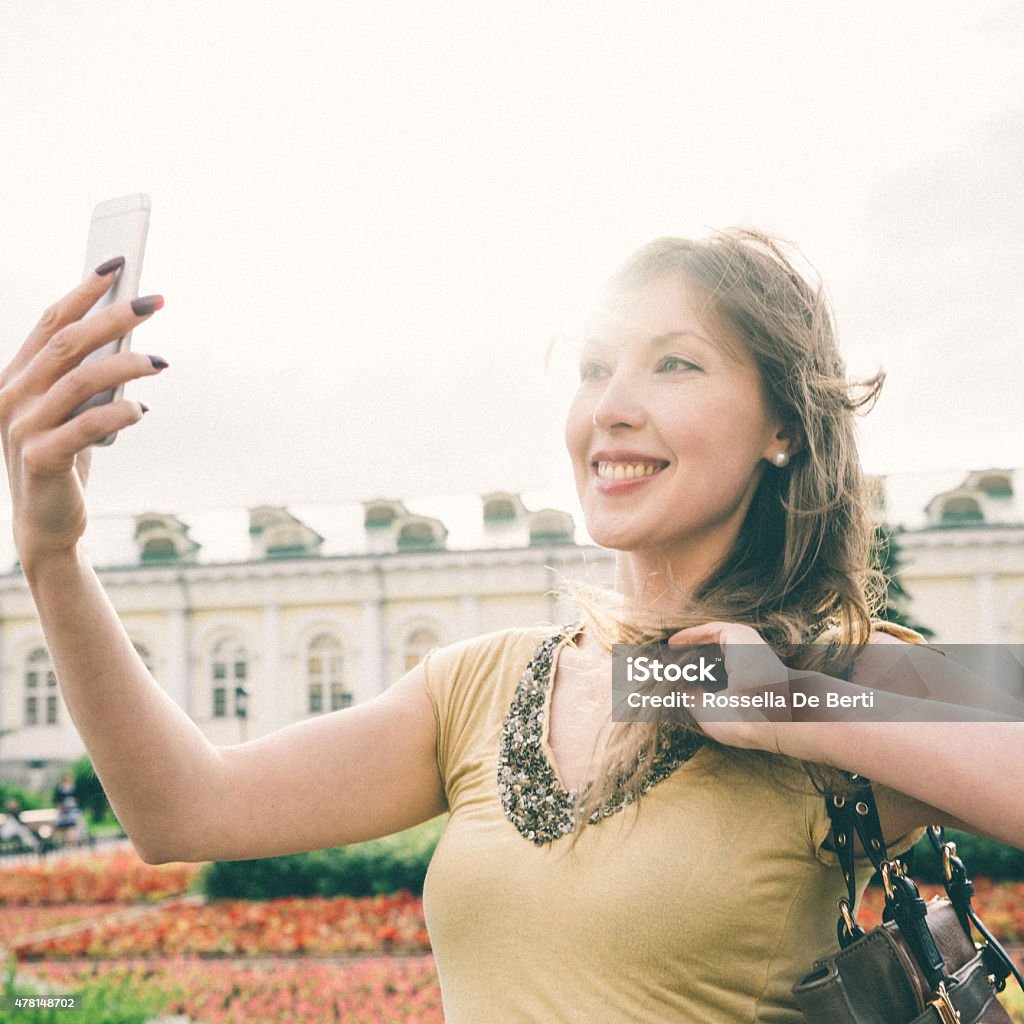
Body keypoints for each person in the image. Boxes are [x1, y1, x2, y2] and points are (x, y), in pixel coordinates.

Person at [1, 231, 1021, 1023]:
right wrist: (56, 554)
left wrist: (787, 704)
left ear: (783, 425)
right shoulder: (479, 686)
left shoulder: (844, 672)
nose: (611, 406)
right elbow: (184, 810)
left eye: (673, 364)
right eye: (592, 366)